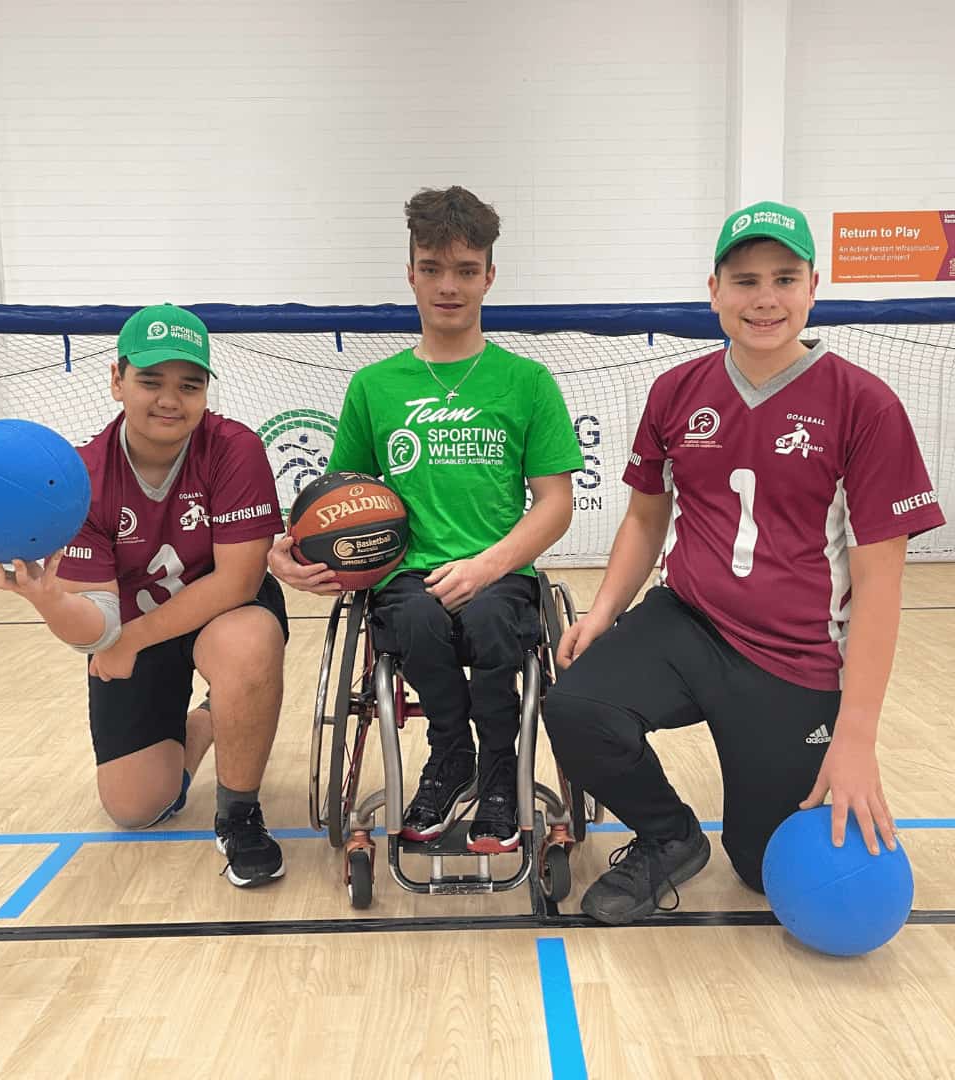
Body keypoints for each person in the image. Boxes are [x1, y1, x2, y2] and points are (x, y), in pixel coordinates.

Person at [543, 201, 946, 923]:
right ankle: (668, 837)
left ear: (813, 287)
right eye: (746, 280)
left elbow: (882, 585)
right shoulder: (678, 391)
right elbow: (644, 514)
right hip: (690, 621)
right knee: (577, 705)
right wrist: (602, 613)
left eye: (785, 279)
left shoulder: (865, 405)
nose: (765, 299)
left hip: (796, 657)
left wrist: (857, 740)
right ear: (715, 290)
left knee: (766, 868)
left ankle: (756, 816)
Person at [270, 186, 582, 852]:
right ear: (410, 271)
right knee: (410, 618)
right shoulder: (375, 387)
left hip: (498, 575)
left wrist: (485, 565)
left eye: (466, 270)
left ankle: (501, 769)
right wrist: (291, 553)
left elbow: (556, 501)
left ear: (489, 277)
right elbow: (336, 499)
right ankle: (452, 754)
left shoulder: (527, 382)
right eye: (433, 268)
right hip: (406, 576)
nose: (449, 286)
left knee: (495, 620)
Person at [0, 303, 289, 888]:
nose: (171, 399)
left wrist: (129, 640)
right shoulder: (81, 478)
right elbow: (95, 625)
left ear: (205, 392)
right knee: (136, 808)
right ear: (117, 380)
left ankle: (240, 815)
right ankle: (214, 719)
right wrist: (44, 598)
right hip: (136, 626)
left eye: (189, 385)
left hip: (219, 613)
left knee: (248, 640)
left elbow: (239, 581)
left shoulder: (234, 448)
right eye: (151, 380)